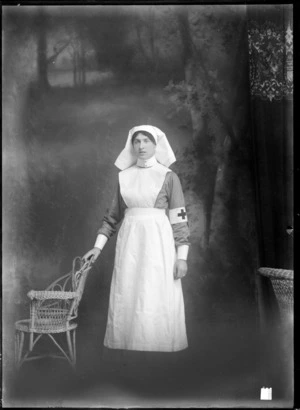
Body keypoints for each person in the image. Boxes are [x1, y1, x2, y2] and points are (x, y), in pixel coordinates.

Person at [83, 125, 190, 364]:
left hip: (159, 245)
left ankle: (160, 362)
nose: (141, 146)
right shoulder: (124, 177)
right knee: (129, 296)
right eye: (137, 141)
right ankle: (131, 361)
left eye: (146, 141)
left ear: (156, 144)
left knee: (156, 296)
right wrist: (97, 247)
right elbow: (111, 218)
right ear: (131, 145)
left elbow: (179, 217)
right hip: (130, 246)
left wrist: (182, 256)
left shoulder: (168, 177)